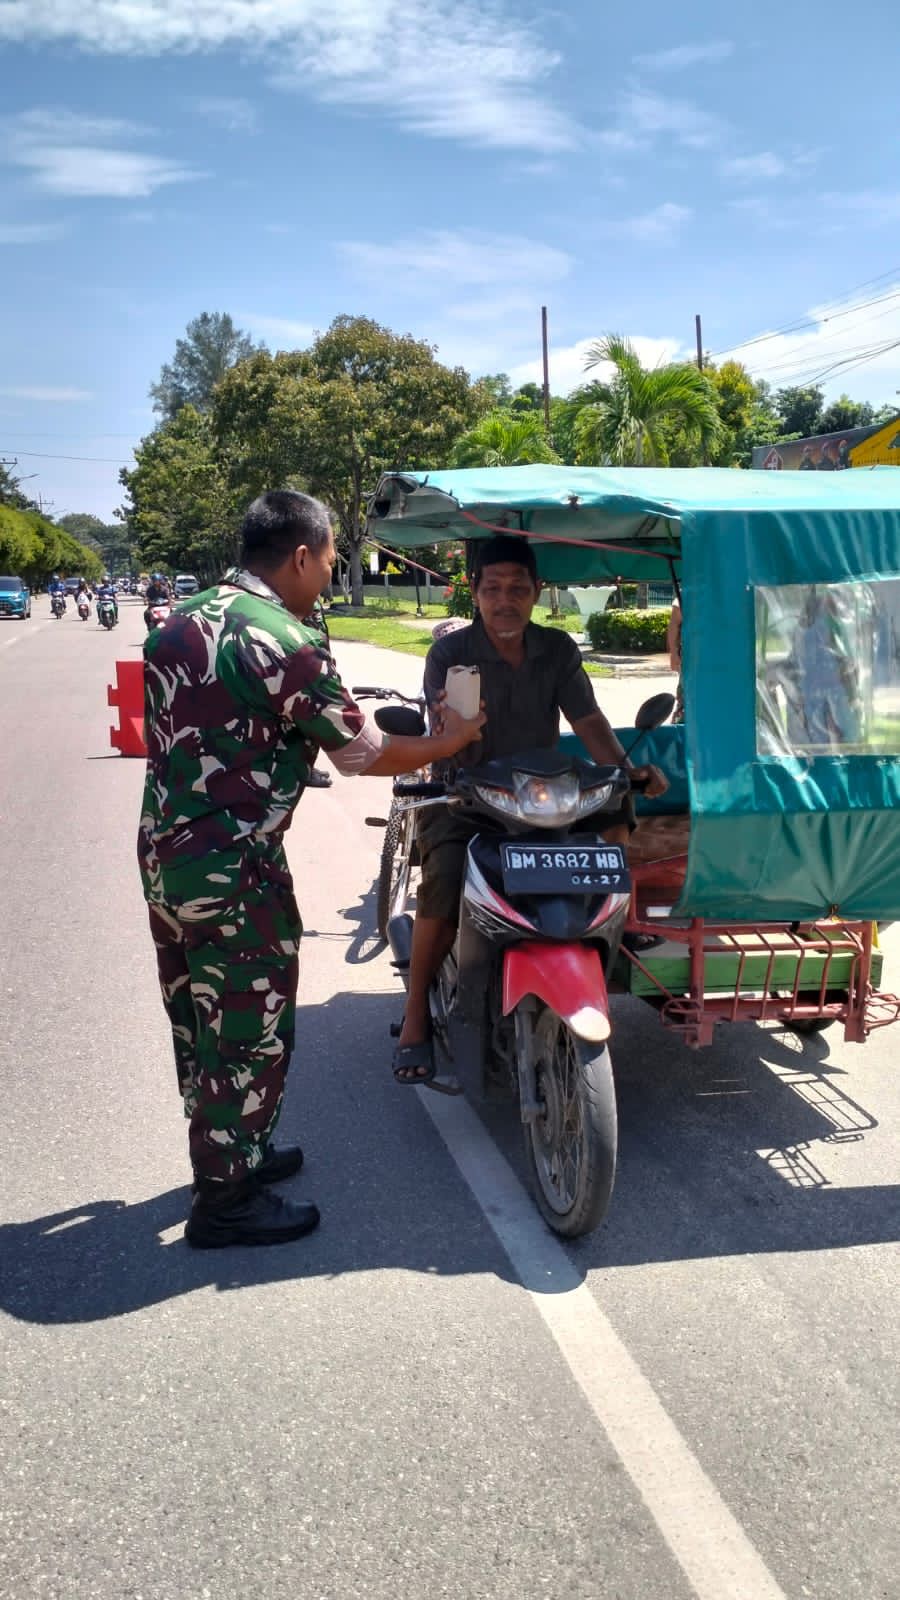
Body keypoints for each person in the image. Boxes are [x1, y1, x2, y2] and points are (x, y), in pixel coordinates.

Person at [139, 489, 484, 1249]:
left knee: (198, 1016)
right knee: (248, 1027)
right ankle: (225, 1202)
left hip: (167, 855)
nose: (330, 575)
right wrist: (451, 741)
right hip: (234, 866)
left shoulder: (176, 624)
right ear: (301, 556)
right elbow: (361, 753)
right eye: (329, 561)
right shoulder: (282, 640)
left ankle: (237, 1152)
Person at [392, 535, 667, 1087]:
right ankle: (416, 1011)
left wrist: (623, 770)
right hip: (466, 794)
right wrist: (454, 730)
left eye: (518, 588)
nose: (505, 600)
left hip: (543, 793)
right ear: (474, 591)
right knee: (444, 877)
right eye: (493, 588)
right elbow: (443, 733)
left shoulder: (557, 649)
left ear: (537, 592)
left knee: (617, 808)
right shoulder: (450, 654)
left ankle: (610, 920)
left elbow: (588, 721)